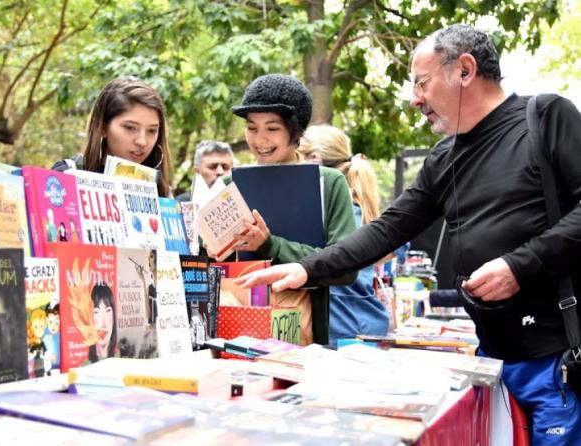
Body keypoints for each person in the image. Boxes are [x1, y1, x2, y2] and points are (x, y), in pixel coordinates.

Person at [236, 24, 581, 445]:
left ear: (465, 71)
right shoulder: (444, 157)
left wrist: (519, 265)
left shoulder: (545, 118)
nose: (415, 99)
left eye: (422, 83)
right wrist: (305, 269)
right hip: (491, 360)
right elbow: (387, 229)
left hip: (555, 358)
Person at [227, 73, 358, 345]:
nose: (260, 140)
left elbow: (346, 266)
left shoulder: (329, 183)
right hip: (234, 326)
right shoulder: (229, 185)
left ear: (295, 130)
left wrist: (270, 245)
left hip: (304, 331)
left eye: (272, 128)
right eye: (252, 128)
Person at [298, 125, 389, 346]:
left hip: (344, 329)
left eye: (297, 156)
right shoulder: (356, 209)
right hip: (359, 322)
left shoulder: (341, 214)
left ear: (313, 160)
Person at [52, 77, 174, 197]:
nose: (142, 141)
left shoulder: (162, 194)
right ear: (103, 127)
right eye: (130, 128)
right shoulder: (66, 176)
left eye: (152, 131)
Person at [88, 283, 117, 362]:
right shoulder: (84, 367)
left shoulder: (121, 360)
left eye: (108, 311)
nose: (103, 323)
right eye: (96, 312)